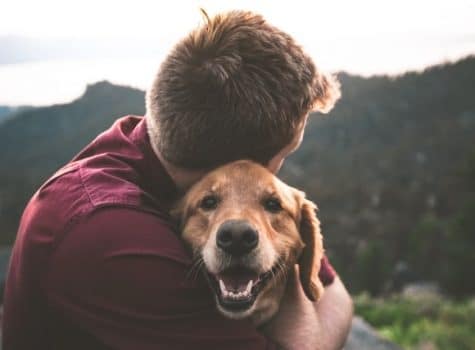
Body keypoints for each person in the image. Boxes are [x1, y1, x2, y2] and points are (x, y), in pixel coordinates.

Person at [2, 10, 353, 350]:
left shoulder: (152, 145)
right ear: (238, 164)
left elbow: (334, 292)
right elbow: (327, 311)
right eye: (284, 155)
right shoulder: (112, 237)